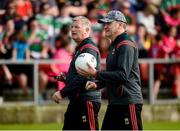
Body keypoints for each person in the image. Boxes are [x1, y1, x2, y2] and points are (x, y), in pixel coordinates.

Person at [77, 10, 143, 130]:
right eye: (104, 23)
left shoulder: (126, 44)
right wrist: (97, 84)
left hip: (128, 102)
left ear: (120, 25)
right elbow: (112, 75)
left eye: (108, 23)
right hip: (116, 102)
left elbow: (122, 75)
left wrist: (96, 74)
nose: (105, 26)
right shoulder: (114, 45)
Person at [52, 16, 101, 130]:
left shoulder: (88, 48)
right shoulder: (81, 47)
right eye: (72, 27)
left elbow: (83, 77)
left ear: (87, 30)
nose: (73, 29)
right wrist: (67, 78)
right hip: (77, 101)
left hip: (86, 100)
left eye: (77, 27)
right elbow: (81, 74)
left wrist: (62, 93)